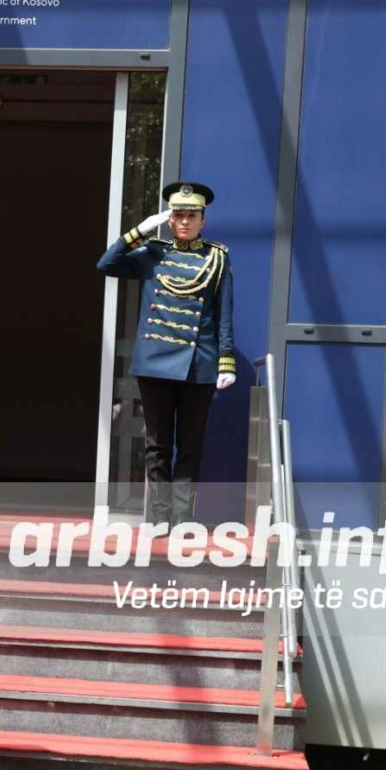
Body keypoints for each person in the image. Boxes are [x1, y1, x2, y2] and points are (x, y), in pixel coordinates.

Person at [96, 182, 236, 526]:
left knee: (190, 446)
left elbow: (223, 314)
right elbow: (105, 264)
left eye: (192, 216)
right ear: (169, 220)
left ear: (203, 221)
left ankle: (182, 518)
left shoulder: (217, 257)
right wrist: (140, 230)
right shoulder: (152, 253)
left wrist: (226, 360)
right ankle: (160, 518)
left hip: (198, 363)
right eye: (178, 215)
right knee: (157, 445)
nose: (185, 221)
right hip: (155, 363)